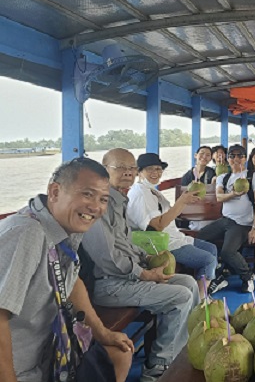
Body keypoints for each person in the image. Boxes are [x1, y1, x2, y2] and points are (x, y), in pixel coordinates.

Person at [0, 158, 133, 382]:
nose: (96, 207)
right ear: (55, 192)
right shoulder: (26, 233)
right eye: (87, 194)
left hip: (50, 357)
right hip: (18, 370)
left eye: (103, 199)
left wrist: (103, 333)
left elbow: (71, 281)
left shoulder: (65, 228)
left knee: (119, 355)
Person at [82, 148, 199, 382]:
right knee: (180, 297)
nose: (127, 173)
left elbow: (127, 243)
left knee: (188, 283)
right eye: (120, 168)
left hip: (129, 276)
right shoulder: (99, 205)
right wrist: (144, 274)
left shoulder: (119, 201)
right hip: (110, 284)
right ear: (104, 170)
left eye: (131, 168)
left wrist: (148, 257)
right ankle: (157, 366)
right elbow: (108, 258)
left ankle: (182, 349)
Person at [126, 153, 227, 299]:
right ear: (139, 172)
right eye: (150, 169)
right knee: (208, 260)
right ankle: (200, 300)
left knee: (211, 248)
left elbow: (168, 215)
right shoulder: (140, 194)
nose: (155, 173)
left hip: (174, 237)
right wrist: (182, 202)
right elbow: (157, 226)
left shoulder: (152, 190)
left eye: (158, 169)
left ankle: (204, 290)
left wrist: (184, 202)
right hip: (161, 244)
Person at [196, 144, 255, 293]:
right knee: (199, 239)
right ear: (228, 159)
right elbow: (219, 197)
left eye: (240, 155)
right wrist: (234, 194)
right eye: (232, 156)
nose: (236, 159)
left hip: (243, 223)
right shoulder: (223, 177)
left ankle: (247, 276)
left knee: (228, 252)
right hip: (225, 220)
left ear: (245, 159)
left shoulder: (253, 177)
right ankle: (218, 270)